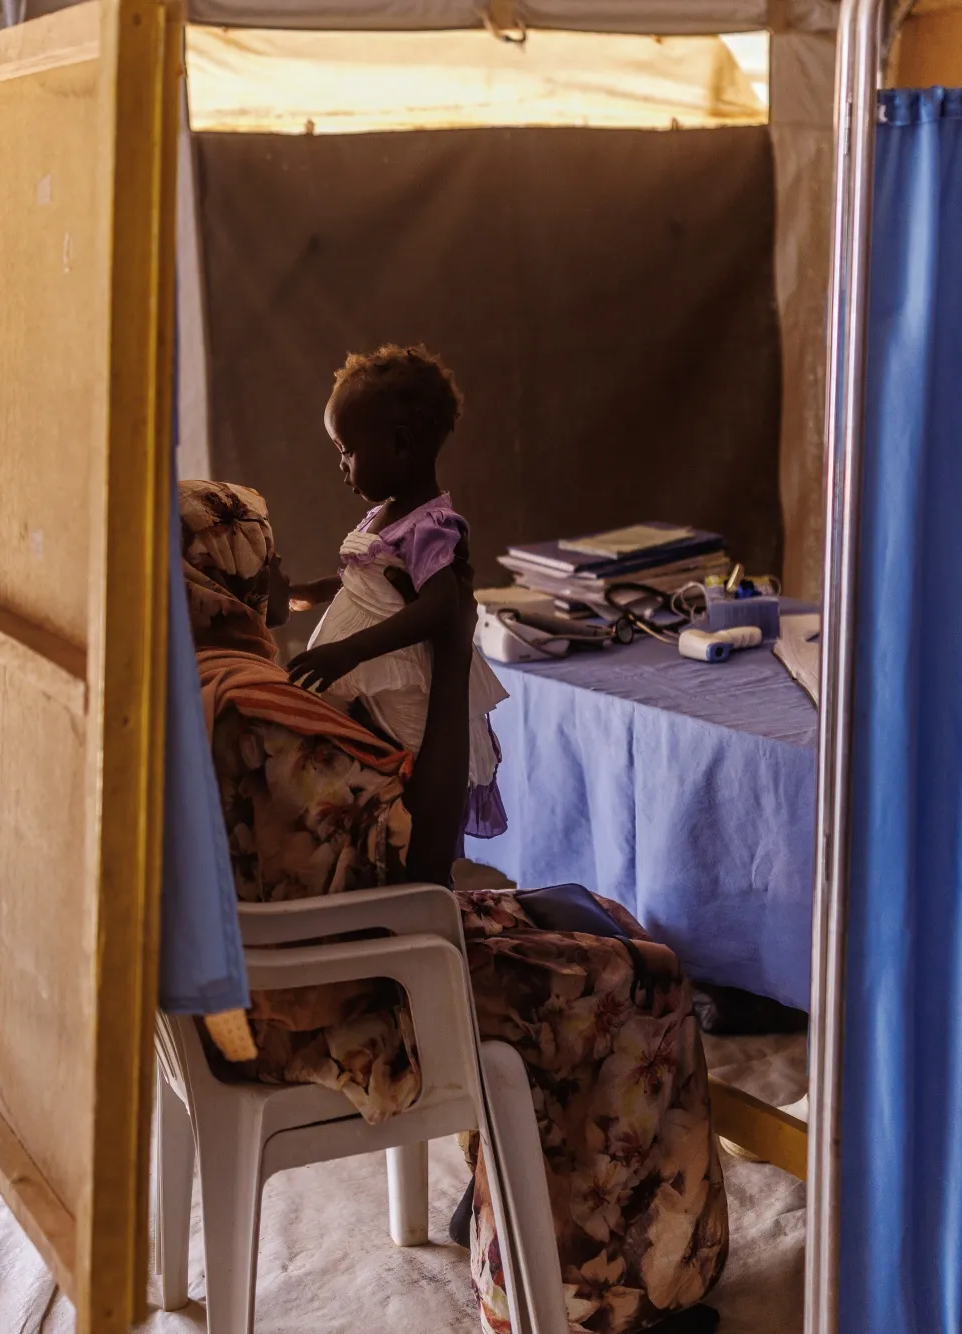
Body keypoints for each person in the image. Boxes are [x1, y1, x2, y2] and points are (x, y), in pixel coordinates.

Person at [179, 479, 728, 1334]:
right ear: (225, 574)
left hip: (244, 990)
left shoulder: (182, 686)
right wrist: (448, 637)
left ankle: (515, 1210)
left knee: (596, 920)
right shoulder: (259, 713)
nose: (285, 567)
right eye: (266, 553)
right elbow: (427, 864)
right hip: (338, 1004)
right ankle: (598, 1295)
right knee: (639, 973)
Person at [281, 345, 510, 849]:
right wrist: (314, 593)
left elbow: (440, 607)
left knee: (404, 773)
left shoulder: (431, 526)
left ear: (400, 445)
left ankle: (414, 865)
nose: (341, 465)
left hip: (409, 689)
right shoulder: (389, 514)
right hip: (378, 684)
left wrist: (351, 650)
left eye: (347, 450)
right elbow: (371, 581)